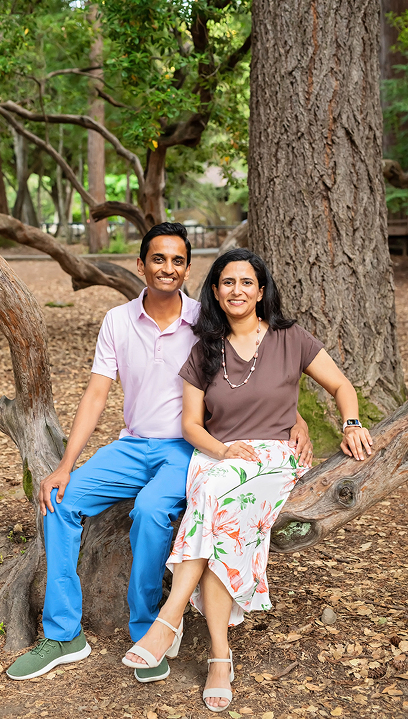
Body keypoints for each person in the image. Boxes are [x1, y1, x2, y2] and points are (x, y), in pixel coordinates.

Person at [6, 227, 312, 684]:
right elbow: (95, 396)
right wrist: (66, 465)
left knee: (151, 511)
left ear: (188, 269)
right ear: (141, 265)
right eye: (158, 259)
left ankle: (149, 627)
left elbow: (263, 370)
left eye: (177, 261)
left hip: (187, 448)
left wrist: (297, 418)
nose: (167, 268)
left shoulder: (207, 321)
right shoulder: (117, 321)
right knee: (58, 500)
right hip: (131, 445)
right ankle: (64, 632)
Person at [122, 248, 373, 711]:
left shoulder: (290, 337)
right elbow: (191, 426)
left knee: (214, 501)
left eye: (246, 283)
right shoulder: (204, 350)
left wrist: (352, 423)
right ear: (215, 292)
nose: (237, 290)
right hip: (217, 456)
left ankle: (169, 617)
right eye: (227, 283)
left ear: (261, 291)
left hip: (275, 458)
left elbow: (341, 386)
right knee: (221, 509)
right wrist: (221, 450)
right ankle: (220, 655)